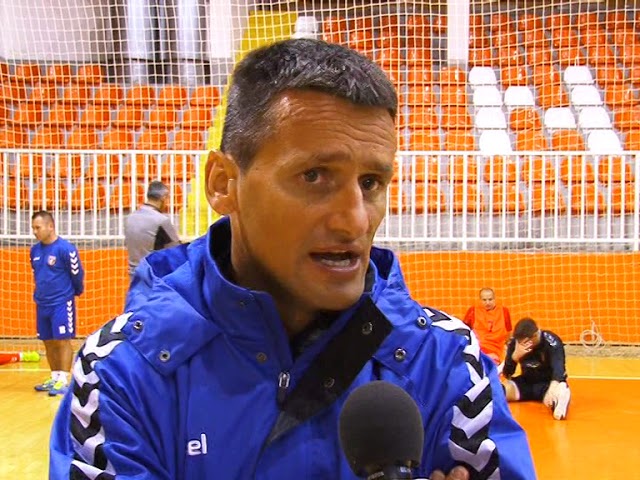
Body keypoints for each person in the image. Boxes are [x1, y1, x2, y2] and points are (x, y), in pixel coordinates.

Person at [50, 39, 536, 479]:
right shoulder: (120, 373)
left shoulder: (447, 364)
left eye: (371, 183)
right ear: (223, 184)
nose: (354, 220)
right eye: (314, 176)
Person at [30, 210, 84, 396]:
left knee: (62, 340)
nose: (35, 232)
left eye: (38, 228)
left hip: (61, 302)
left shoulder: (66, 249)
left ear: (50, 226)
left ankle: (64, 379)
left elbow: (76, 273)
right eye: (33, 228)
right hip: (42, 303)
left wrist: (75, 292)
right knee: (48, 341)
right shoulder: (34, 251)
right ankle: (54, 377)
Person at [503, 317, 571, 420]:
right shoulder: (515, 343)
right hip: (527, 382)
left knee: (555, 393)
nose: (522, 344)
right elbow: (507, 373)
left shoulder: (551, 342)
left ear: (535, 336)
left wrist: (552, 388)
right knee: (500, 390)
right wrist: (515, 356)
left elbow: (559, 369)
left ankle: (559, 399)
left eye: (525, 342)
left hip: (547, 384)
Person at [124, 180, 181, 281]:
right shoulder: (161, 220)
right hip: (153, 276)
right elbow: (176, 249)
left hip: (134, 276)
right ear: (163, 197)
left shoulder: (131, 217)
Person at [463, 287, 512, 365]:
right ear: (480, 300)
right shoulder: (473, 311)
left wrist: (505, 345)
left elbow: (509, 331)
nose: (487, 303)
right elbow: (464, 330)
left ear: (495, 299)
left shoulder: (504, 311)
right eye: (484, 300)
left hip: (497, 349)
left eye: (490, 299)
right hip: (478, 348)